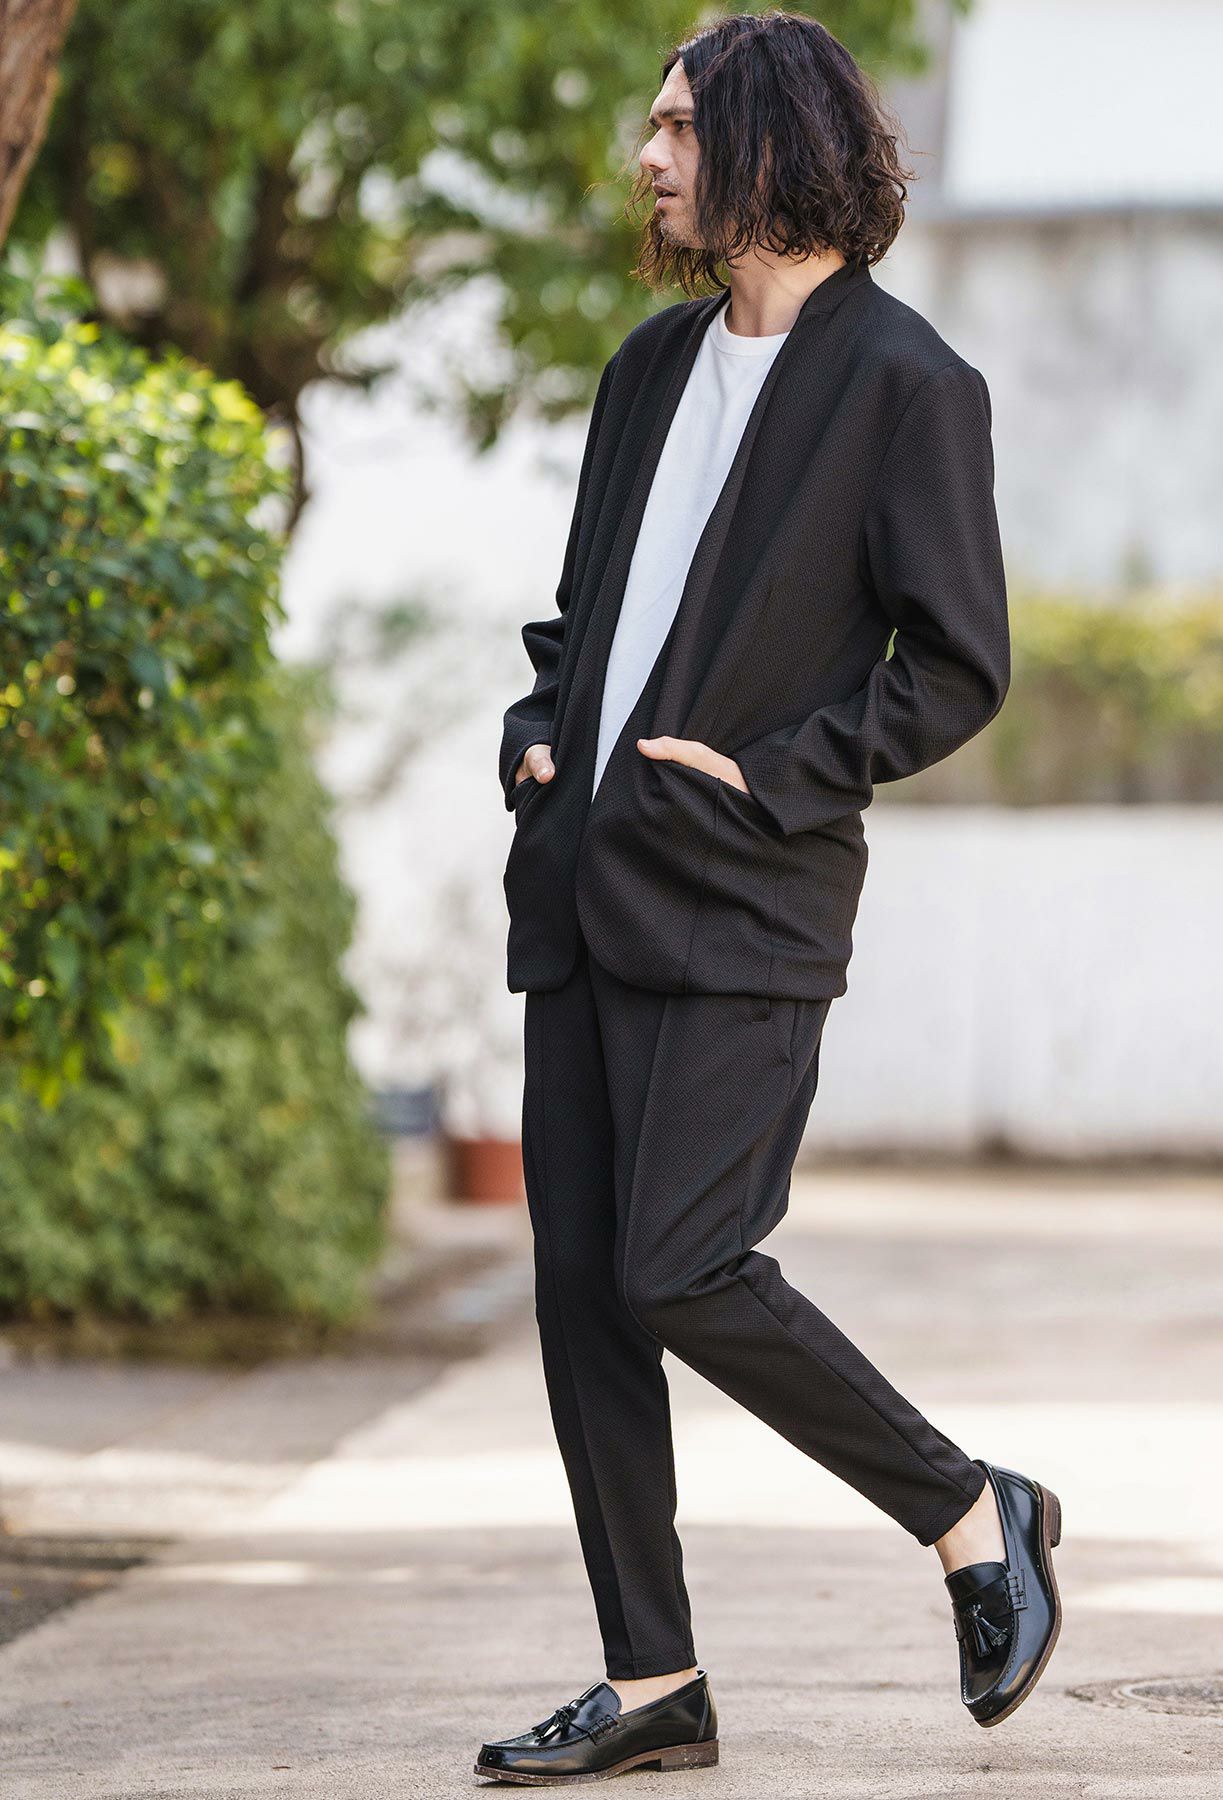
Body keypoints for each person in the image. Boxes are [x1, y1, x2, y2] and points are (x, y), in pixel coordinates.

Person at [475, 12, 1061, 1786]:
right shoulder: (648, 368)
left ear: (769, 140)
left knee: (682, 1265)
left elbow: (956, 665)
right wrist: (536, 732)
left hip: (743, 901)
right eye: (652, 129)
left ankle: (969, 1509)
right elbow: (585, 615)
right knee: (585, 1291)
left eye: (678, 128)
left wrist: (778, 772)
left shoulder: (905, 385)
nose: (649, 159)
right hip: (582, 885)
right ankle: (651, 1677)